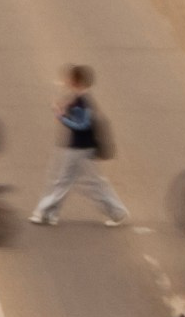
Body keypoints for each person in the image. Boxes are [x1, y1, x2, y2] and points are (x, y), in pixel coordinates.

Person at [30, 64, 128, 226]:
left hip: (79, 148)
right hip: (82, 147)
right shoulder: (78, 99)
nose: (66, 81)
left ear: (77, 81)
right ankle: (117, 212)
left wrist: (60, 116)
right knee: (92, 183)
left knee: (64, 181)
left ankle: (44, 213)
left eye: (70, 79)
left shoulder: (83, 102)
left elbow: (82, 125)